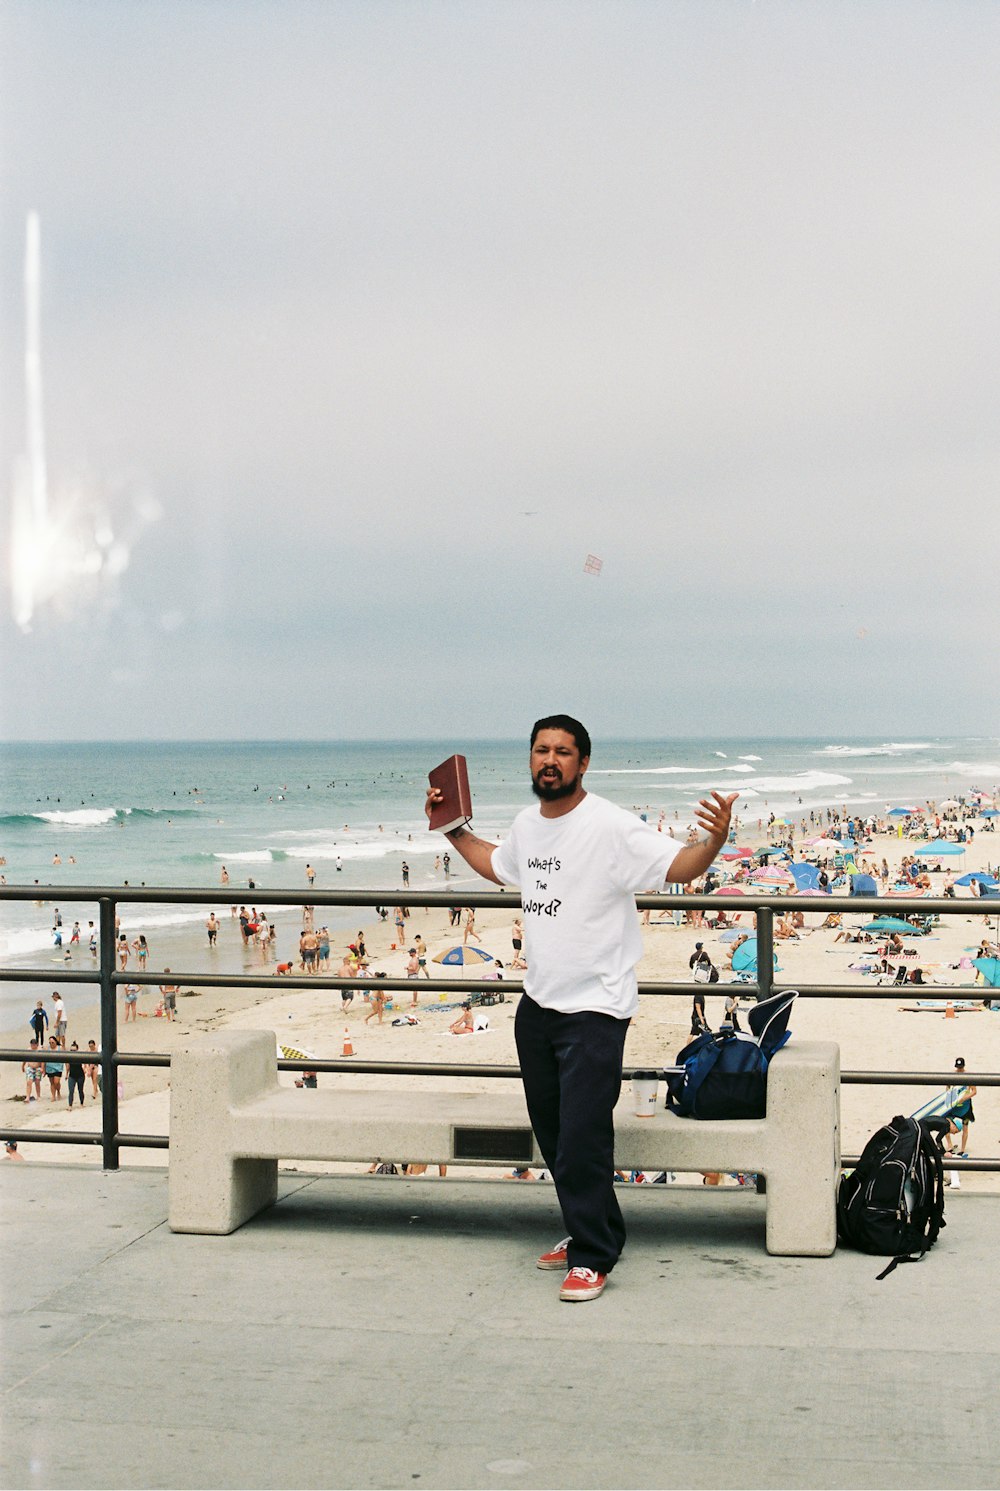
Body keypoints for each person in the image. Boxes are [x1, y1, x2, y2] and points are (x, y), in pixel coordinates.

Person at [426, 713, 736, 1303]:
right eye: (541, 750)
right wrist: (451, 828)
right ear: (531, 759)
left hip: (595, 1009)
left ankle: (593, 1256)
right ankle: (587, 1230)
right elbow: (499, 865)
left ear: (583, 762)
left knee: (582, 1138)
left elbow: (678, 867)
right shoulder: (526, 825)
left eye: (563, 752)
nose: (550, 760)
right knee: (554, 1133)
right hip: (538, 1004)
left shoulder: (611, 826)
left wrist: (714, 841)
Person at [942, 1058, 977, 1156]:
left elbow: (974, 1091)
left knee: (965, 1126)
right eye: (958, 1068)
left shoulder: (969, 1076)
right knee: (945, 1123)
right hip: (954, 1105)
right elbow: (947, 1088)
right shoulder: (952, 1075)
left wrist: (964, 1098)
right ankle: (949, 1145)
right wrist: (949, 1098)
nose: (959, 1070)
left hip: (965, 1106)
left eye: (961, 1068)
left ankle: (962, 1149)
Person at [65, 1042, 86, 1108]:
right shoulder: (69, 1057)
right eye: (71, 1050)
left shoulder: (79, 1056)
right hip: (72, 1075)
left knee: (80, 1090)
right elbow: (68, 1066)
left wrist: (86, 1069)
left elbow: (85, 1063)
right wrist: (66, 1074)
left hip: (80, 1075)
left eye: (74, 1050)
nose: (72, 1051)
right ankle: (70, 1105)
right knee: (71, 1091)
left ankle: (81, 1103)